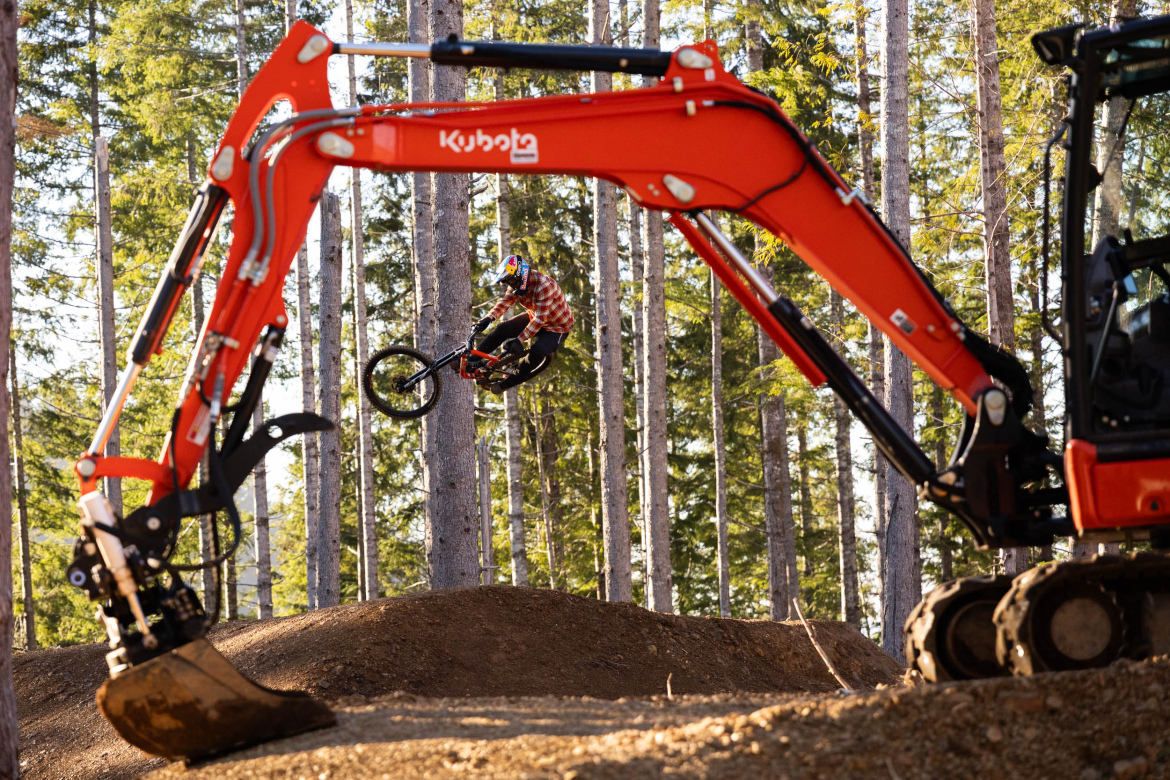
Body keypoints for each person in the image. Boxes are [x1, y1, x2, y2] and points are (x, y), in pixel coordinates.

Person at [469, 254, 574, 394]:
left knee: (538, 351)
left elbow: (540, 319)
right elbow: (506, 302)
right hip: (536, 316)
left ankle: (508, 383)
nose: (510, 284)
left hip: (557, 327)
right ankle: (473, 359)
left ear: (522, 275)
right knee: (503, 328)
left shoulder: (544, 286)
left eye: (511, 280)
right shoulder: (517, 285)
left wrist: (519, 340)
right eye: (508, 282)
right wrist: (489, 318)